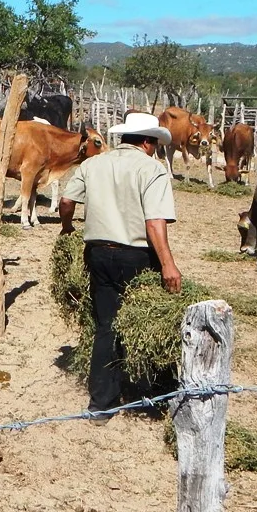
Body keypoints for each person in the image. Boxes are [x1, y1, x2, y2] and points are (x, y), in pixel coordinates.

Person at [58, 112, 182, 418]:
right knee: (150, 318)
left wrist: (67, 228)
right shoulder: (152, 169)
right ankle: (157, 391)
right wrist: (168, 264)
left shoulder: (92, 164)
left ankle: (101, 403)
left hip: (97, 253)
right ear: (147, 142)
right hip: (137, 255)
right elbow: (154, 223)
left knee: (106, 325)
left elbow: (66, 201)